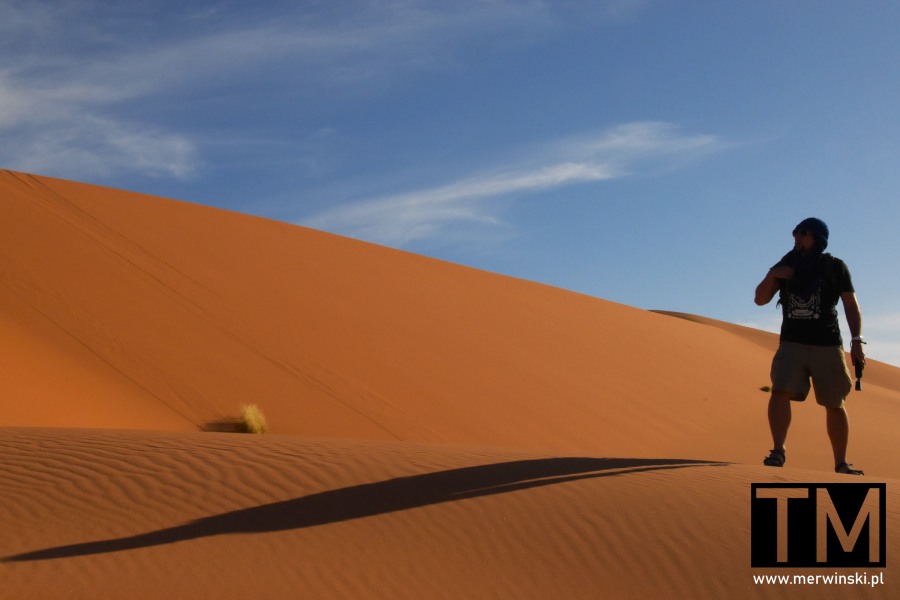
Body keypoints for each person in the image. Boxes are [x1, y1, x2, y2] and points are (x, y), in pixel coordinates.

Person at [754, 217, 866, 475]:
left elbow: (850, 305)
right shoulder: (785, 264)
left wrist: (857, 341)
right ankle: (777, 451)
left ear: (818, 238)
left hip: (828, 344)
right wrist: (773, 275)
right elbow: (760, 300)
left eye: (803, 233)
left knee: (835, 402)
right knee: (779, 391)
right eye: (795, 232)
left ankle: (841, 462)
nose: (796, 236)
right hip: (792, 343)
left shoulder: (835, 267)